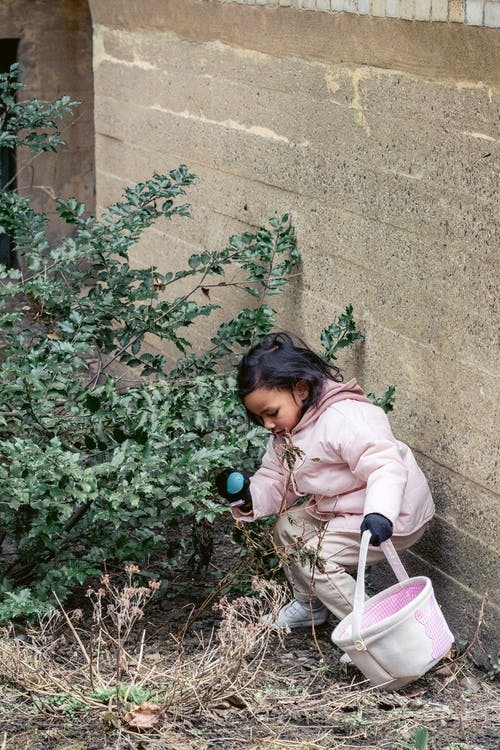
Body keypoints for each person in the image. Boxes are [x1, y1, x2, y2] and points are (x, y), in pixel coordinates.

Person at [215, 332, 435, 634]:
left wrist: (381, 512)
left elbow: (384, 465)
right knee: (287, 528)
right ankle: (310, 607)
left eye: (271, 413)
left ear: (301, 389)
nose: (267, 424)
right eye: (259, 418)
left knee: (316, 558)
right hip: (346, 508)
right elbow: (277, 479)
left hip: (391, 512)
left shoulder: (343, 418)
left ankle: (375, 631)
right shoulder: (287, 435)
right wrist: (249, 495)